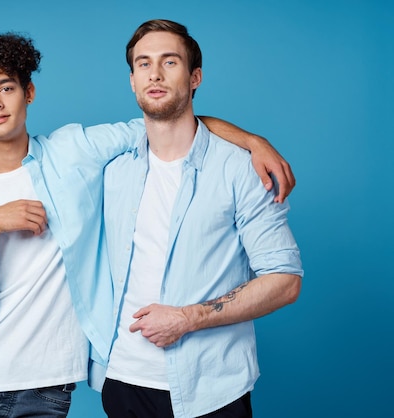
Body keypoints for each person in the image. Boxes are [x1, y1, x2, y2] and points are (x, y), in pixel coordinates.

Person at [0, 31, 295, 418]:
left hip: (50, 389)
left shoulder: (74, 152)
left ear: (29, 92)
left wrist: (254, 142)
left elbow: (167, 118)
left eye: (6, 87)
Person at [99, 19, 303, 417]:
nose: (155, 74)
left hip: (212, 388)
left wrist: (186, 318)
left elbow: (285, 280)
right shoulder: (110, 168)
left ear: (195, 77)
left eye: (169, 62)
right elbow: (34, 164)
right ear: (132, 80)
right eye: (143, 64)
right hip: (123, 382)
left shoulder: (241, 169)